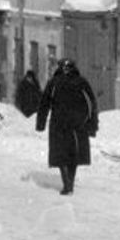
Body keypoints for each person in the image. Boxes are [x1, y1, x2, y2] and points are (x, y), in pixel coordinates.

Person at [36, 59, 98, 196]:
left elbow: (44, 104)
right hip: (78, 125)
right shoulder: (81, 82)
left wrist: (40, 123)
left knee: (61, 155)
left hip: (59, 124)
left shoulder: (54, 83)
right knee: (74, 155)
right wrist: (92, 125)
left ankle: (67, 185)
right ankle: (69, 182)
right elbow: (92, 104)